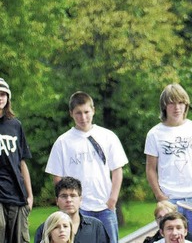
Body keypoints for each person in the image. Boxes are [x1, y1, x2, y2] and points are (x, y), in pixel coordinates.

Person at [45, 91, 129, 243]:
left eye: (86, 112)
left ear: (93, 110)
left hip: (105, 207)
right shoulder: (63, 142)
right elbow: (57, 177)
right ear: (71, 113)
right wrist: (66, 203)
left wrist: (112, 200)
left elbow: (117, 170)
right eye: (78, 113)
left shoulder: (108, 136)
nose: (83, 117)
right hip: (78, 209)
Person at [145, 83, 192, 243]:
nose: (177, 107)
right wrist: (159, 195)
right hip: (170, 198)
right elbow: (150, 169)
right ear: (164, 106)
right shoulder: (155, 134)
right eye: (172, 103)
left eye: (181, 103)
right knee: (171, 239)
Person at [0, 78, 33, 243]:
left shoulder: (15, 125)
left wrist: (30, 195)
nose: (0, 97)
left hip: (16, 192)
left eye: (3, 94)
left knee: (20, 239)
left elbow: (22, 162)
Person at [34, 177, 110, 243]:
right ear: (57, 200)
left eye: (73, 196)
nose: (69, 200)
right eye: (64, 196)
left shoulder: (96, 226)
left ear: (80, 199)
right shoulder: (45, 228)